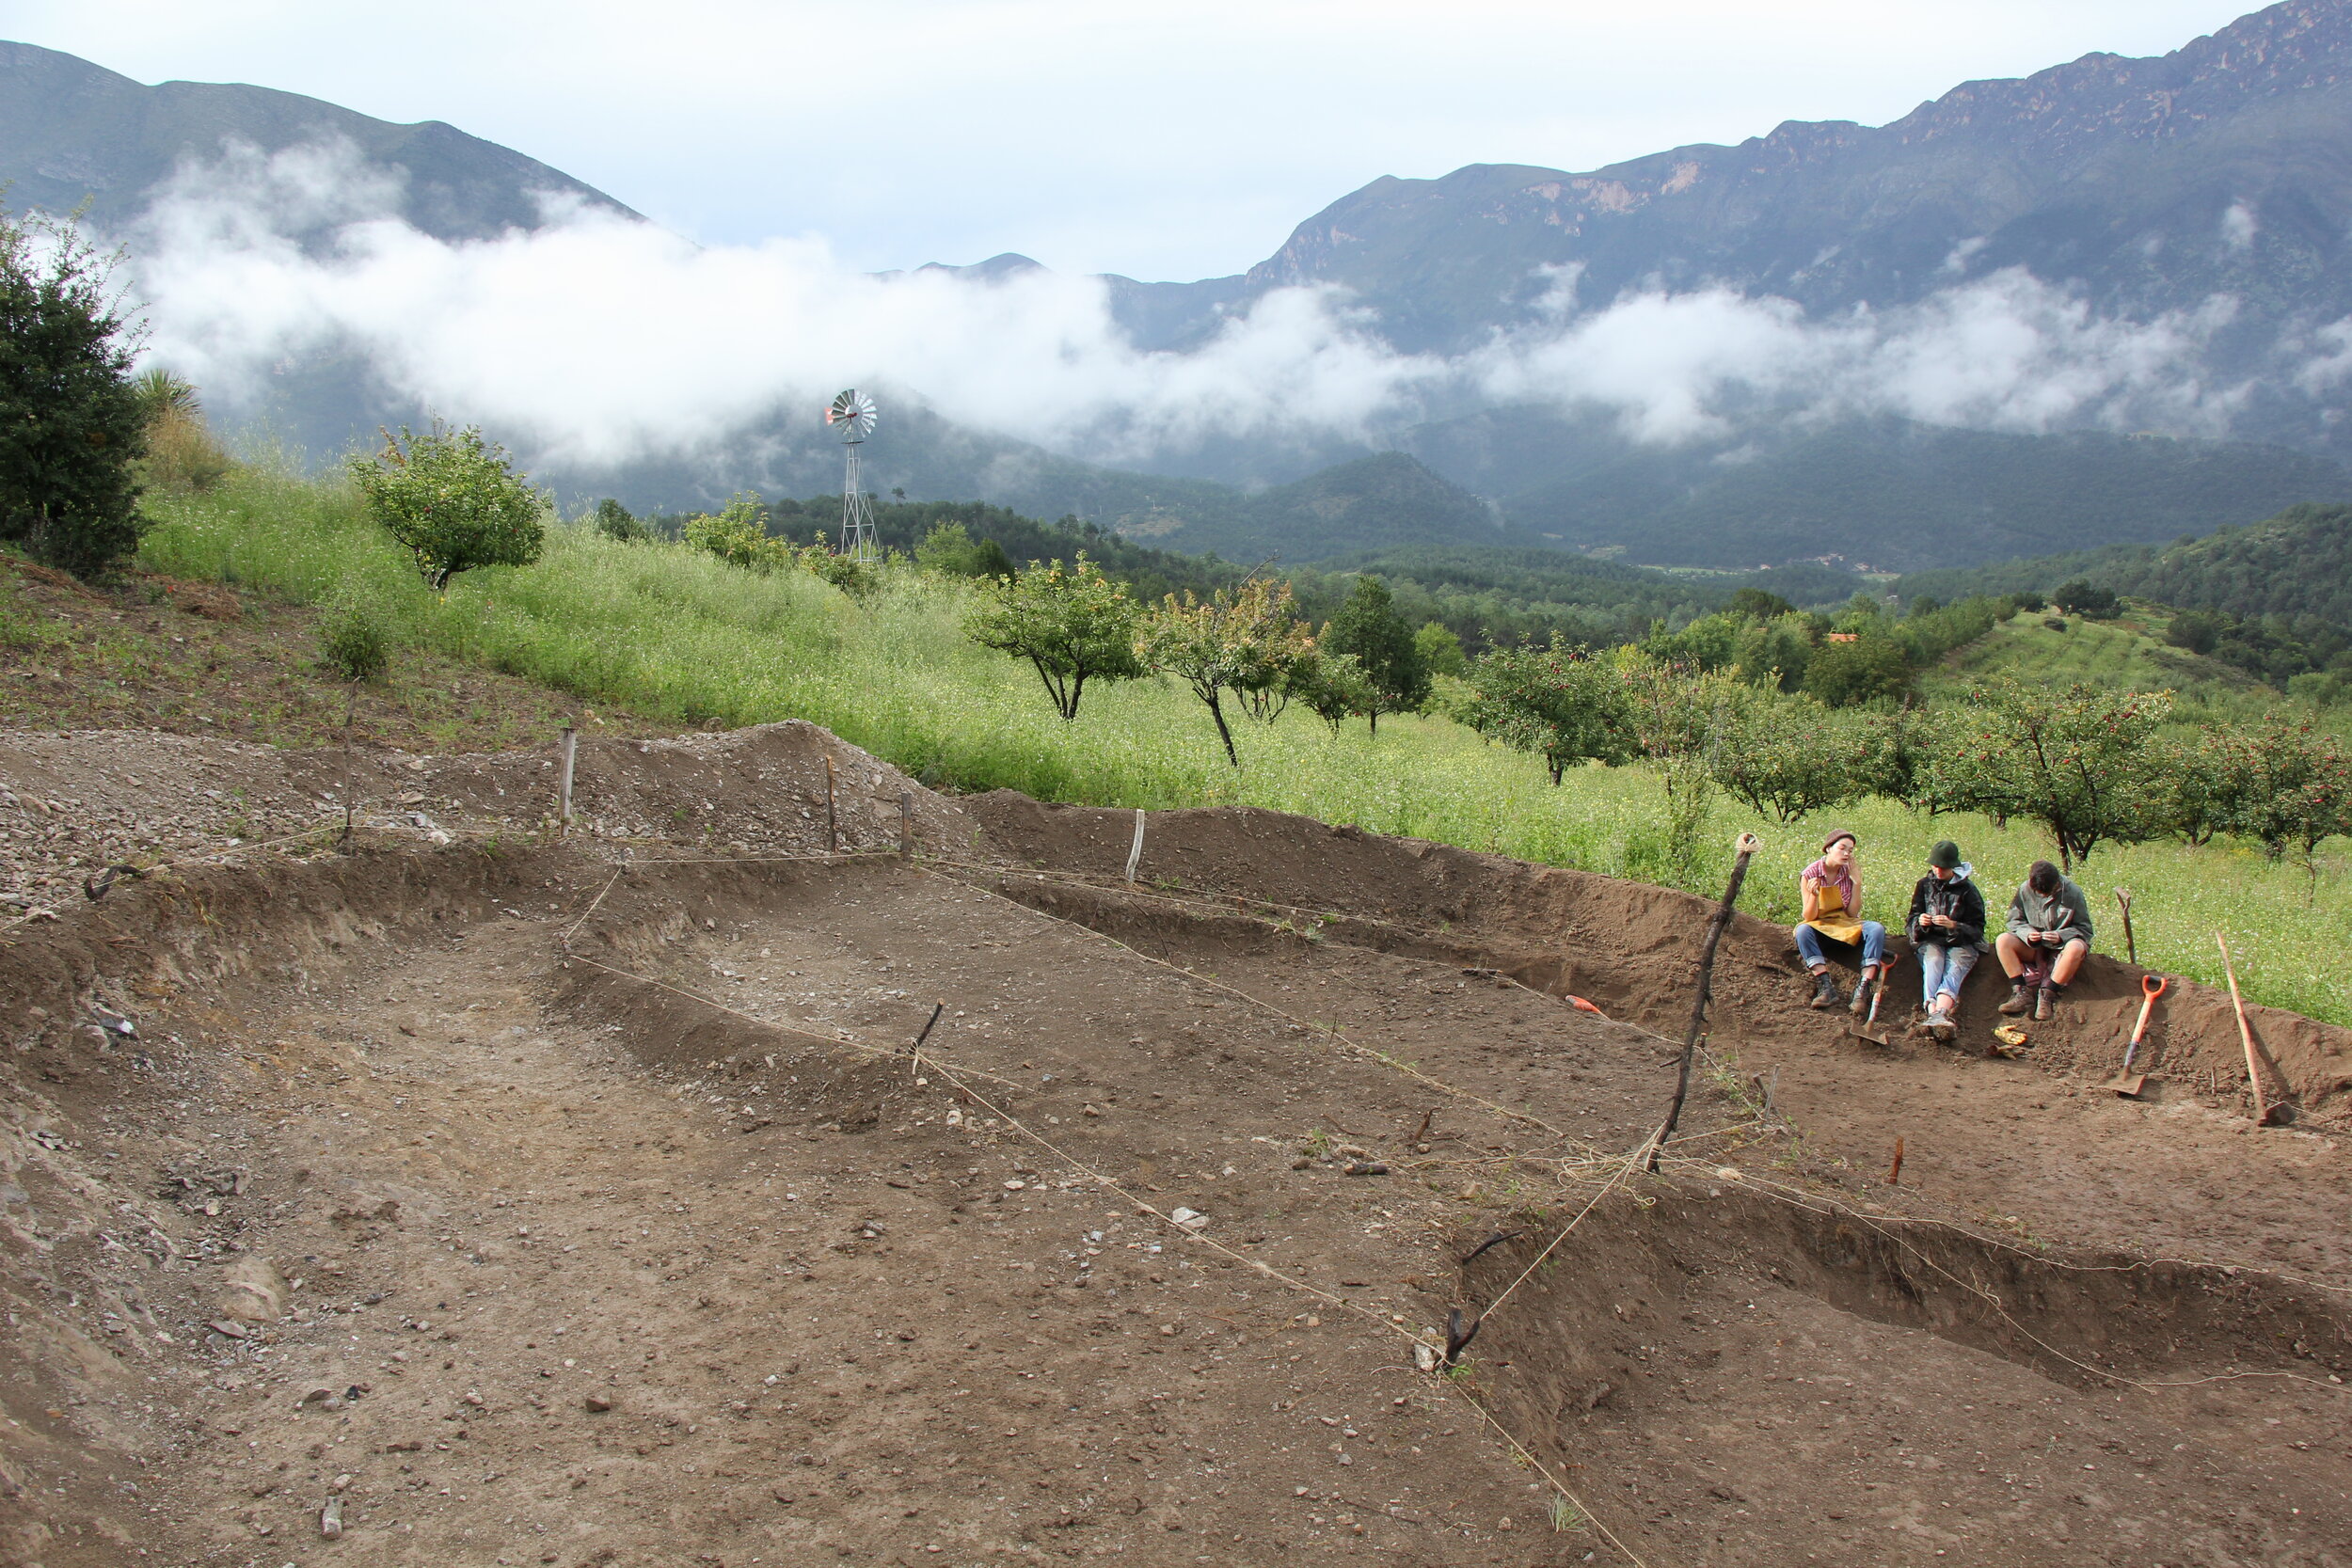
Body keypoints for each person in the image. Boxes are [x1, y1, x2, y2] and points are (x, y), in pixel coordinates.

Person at [1795, 830, 1886, 1014]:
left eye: (1850, 851)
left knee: (1876, 929)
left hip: (1844, 923)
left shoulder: (1848, 872)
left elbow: (1852, 912)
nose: (1846, 854)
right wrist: (1814, 896)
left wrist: (1857, 883)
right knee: (1803, 930)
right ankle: (1825, 986)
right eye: (1842, 848)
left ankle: (1863, 989)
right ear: (1828, 848)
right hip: (1820, 924)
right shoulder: (1810, 873)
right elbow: (1809, 917)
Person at [1904, 840, 1984, 1043]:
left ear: (1953, 868)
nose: (1938, 871)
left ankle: (1941, 1012)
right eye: (1935, 866)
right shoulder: (1924, 885)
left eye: (1944, 868)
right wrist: (1920, 922)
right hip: (1931, 940)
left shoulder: (1968, 890)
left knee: (1955, 965)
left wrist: (1953, 925)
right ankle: (1933, 1012)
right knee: (1933, 960)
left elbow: (1977, 928)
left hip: (1962, 943)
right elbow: (1911, 919)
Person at [1996, 860, 2093, 1021]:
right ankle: (2021, 992)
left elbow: (2085, 929)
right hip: (2034, 947)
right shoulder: (2024, 890)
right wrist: (2028, 934)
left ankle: (2048, 994)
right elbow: (2014, 921)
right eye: (2039, 893)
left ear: (2057, 883)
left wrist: (2061, 935)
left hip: (2062, 949)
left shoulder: (2073, 892)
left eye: (2048, 893)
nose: (2043, 896)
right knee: (2003, 940)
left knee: (2076, 948)